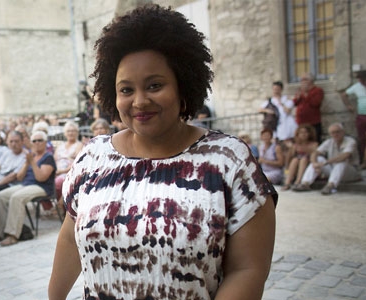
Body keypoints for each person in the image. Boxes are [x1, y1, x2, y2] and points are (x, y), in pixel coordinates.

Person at [48, 5, 276, 299]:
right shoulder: (93, 157)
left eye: (154, 85)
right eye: (126, 90)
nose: (140, 101)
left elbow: (248, 270)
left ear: (183, 85)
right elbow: (70, 238)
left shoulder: (228, 161)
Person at [0, 131, 55, 246]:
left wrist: (32, 162)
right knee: (0, 196)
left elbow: (41, 178)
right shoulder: (31, 156)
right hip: (26, 184)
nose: (37, 143)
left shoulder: (48, 157)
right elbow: (20, 176)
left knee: (17, 198)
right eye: (34, 141)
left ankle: (12, 234)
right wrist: (27, 163)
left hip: (41, 187)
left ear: (45, 143)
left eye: (40, 140)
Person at [292, 123, 361, 195]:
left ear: (343, 132)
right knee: (319, 159)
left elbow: (344, 156)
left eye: (337, 132)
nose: (335, 134)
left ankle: (331, 186)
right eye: (333, 133)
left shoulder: (350, 141)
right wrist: (315, 164)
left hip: (351, 172)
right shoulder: (329, 142)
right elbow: (315, 153)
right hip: (333, 170)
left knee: (341, 162)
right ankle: (305, 184)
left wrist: (326, 163)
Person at [282, 125, 319, 190]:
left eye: (305, 132)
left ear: (309, 134)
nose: (303, 134)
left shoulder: (314, 144)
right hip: (296, 166)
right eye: (301, 132)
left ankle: (298, 182)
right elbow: (289, 157)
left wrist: (298, 147)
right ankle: (287, 182)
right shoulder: (295, 145)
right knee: (295, 160)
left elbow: (313, 153)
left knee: (303, 159)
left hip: (308, 166)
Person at [292, 74, 324, 143]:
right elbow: (294, 103)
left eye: (305, 79)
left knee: (314, 140)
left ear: (311, 81)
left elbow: (315, 103)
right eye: (301, 80)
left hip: (313, 122)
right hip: (301, 122)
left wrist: (306, 94)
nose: (303, 82)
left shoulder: (318, 90)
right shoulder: (300, 91)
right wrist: (298, 97)